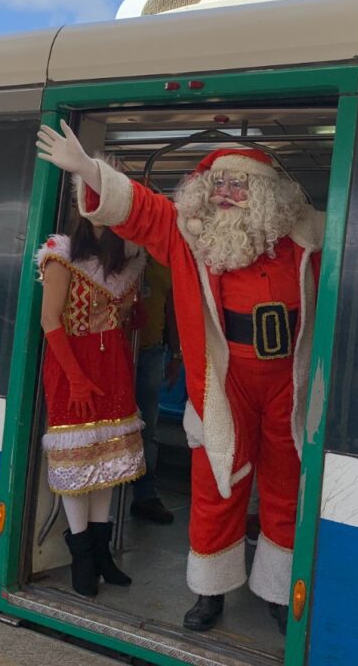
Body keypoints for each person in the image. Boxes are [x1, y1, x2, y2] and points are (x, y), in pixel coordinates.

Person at [37, 123, 323, 635]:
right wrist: (89, 171)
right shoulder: (189, 238)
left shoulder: (307, 239)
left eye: (239, 186)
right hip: (223, 383)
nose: (226, 196)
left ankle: (279, 592)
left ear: (263, 194)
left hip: (290, 384)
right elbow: (141, 209)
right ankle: (209, 592)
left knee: (286, 488)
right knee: (217, 484)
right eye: (218, 186)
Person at [36, 201, 147, 598]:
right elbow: (50, 320)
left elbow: (128, 316)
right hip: (73, 366)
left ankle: (101, 554)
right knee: (77, 459)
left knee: (109, 458)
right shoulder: (61, 255)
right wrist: (76, 380)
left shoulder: (127, 261)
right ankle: (83, 555)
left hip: (113, 363)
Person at [129, 255, 180, 525]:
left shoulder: (163, 259)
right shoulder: (120, 255)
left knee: (148, 429)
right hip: (118, 353)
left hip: (151, 352)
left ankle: (145, 495)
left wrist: (176, 352)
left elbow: (171, 307)